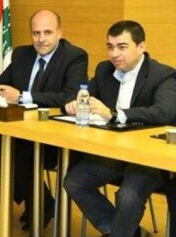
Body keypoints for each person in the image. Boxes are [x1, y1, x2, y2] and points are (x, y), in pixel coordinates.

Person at [63, 20, 176, 237]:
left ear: (141, 47)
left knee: (128, 195)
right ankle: (127, 232)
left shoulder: (163, 75)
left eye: (122, 47)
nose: (114, 54)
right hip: (113, 154)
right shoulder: (104, 70)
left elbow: (163, 112)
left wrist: (115, 114)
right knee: (74, 182)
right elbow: (86, 97)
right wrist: (75, 105)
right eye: (110, 47)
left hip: (149, 159)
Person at [0, 9, 88, 230]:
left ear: (60, 32)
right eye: (36, 33)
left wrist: (21, 96)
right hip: (20, 130)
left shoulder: (74, 57)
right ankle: (42, 202)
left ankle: (39, 205)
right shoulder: (22, 54)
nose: (41, 39)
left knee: (21, 154)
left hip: (54, 136)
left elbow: (69, 96)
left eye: (47, 32)